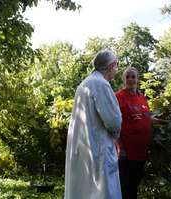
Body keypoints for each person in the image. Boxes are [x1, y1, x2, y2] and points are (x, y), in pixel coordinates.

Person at [64, 49, 122, 199]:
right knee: (101, 190)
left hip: (84, 146)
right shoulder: (101, 84)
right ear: (111, 65)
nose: (116, 69)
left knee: (83, 189)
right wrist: (115, 137)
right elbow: (113, 121)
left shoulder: (85, 84)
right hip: (98, 146)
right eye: (116, 65)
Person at [115, 67, 167, 199]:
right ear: (123, 80)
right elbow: (113, 124)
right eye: (128, 77)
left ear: (137, 79)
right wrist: (120, 147)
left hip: (141, 151)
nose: (131, 79)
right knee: (126, 186)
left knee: (135, 183)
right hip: (127, 152)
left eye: (133, 76)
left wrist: (160, 121)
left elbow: (145, 117)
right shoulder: (118, 97)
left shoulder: (142, 98)